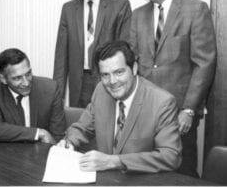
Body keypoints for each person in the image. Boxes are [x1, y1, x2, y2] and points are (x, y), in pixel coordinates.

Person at [129, 0, 216, 177]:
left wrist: (189, 109)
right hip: (145, 112)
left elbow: (204, 63)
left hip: (180, 113)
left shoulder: (195, 9)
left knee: (183, 171)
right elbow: (132, 62)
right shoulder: (137, 16)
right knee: (148, 172)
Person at [58, 41, 182, 173]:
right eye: (105, 75)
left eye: (119, 72)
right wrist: (69, 142)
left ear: (134, 68)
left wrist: (115, 161)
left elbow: (171, 156)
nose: (112, 82)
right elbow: (82, 128)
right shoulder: (101, 91)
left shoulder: (162, 102)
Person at [53, 0, 132, 108]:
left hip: (109, 83)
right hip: (78, 86)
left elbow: (125, 53)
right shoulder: (68, 9)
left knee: (108, 129)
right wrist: (57, 98)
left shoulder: (120, 6)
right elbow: (61, 59)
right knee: (81, 127)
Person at [0, 48, 66, 144]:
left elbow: (58, 135)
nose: (26, 83)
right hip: (8, 154)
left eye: (28, 74)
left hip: (41, 153)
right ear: (3, 79)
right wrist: (38, 133)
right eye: (17, 78)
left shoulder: (50, 89)